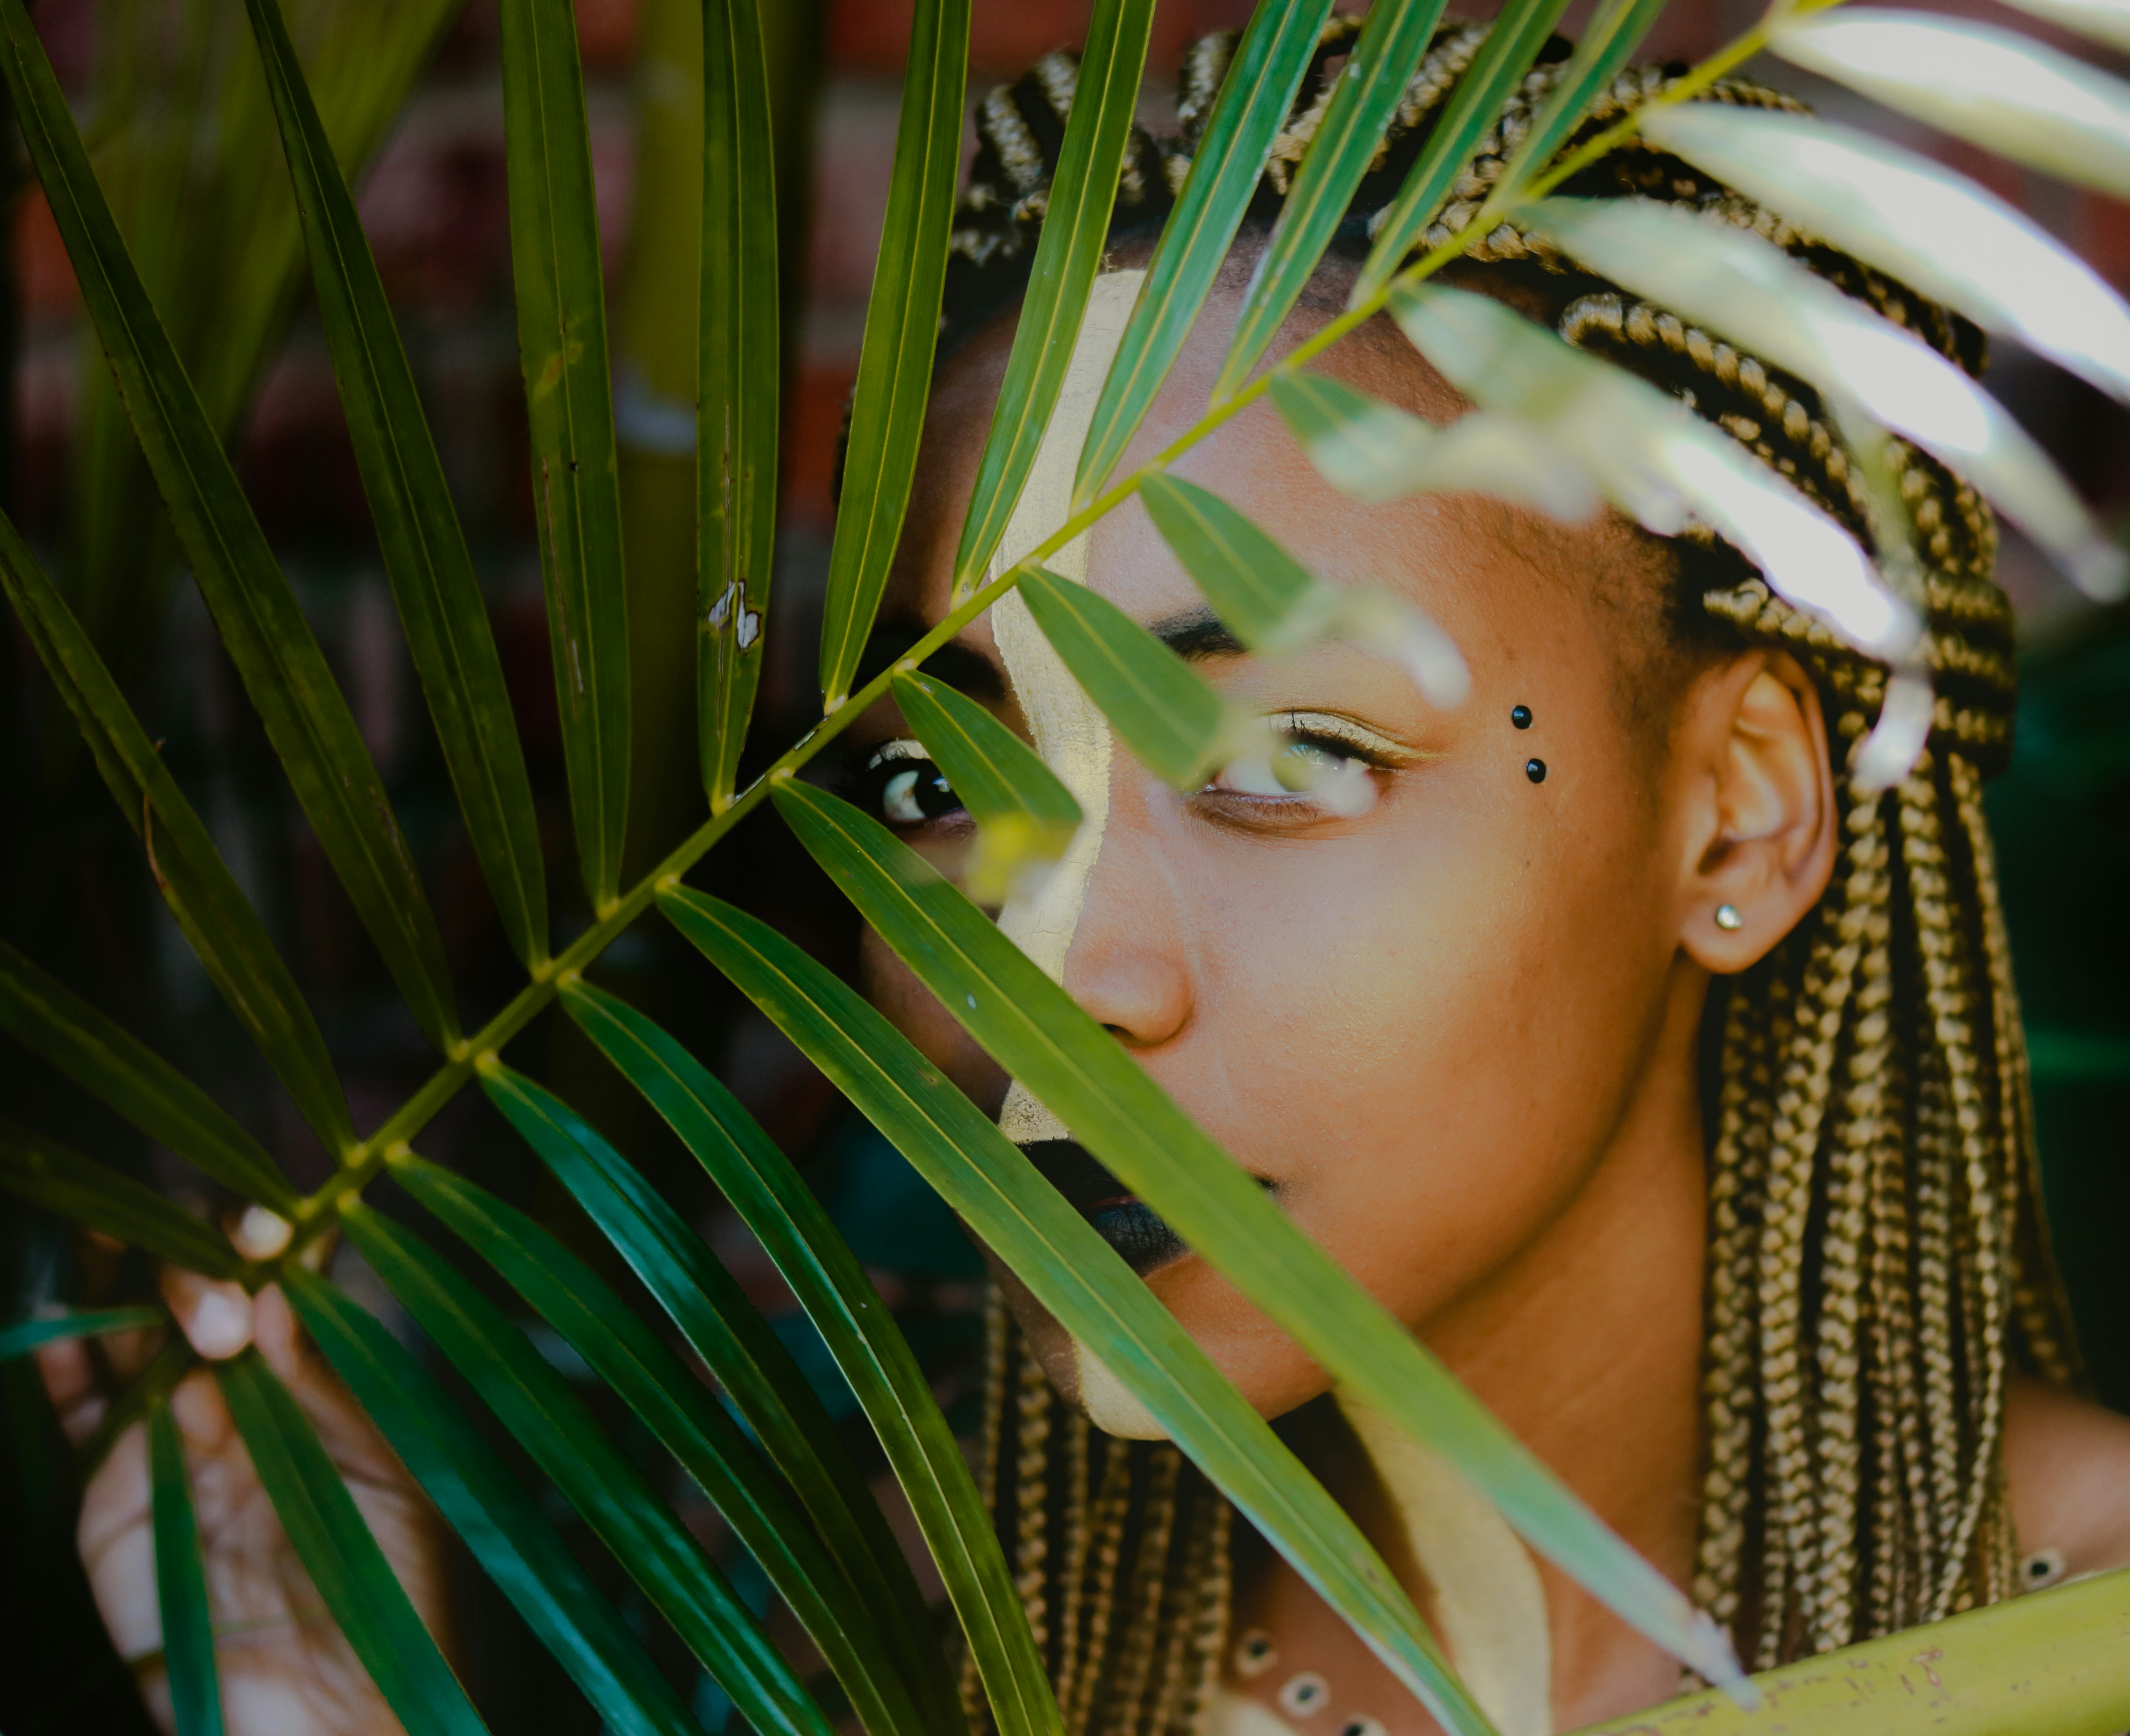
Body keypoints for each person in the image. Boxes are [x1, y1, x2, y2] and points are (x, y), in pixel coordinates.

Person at [44, 17, 2130, 1736]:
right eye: (933, 770)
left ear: (1738, 810)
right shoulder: (877, 1651)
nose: (1048, 968)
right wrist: (309, 1685)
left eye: (1291, 759)